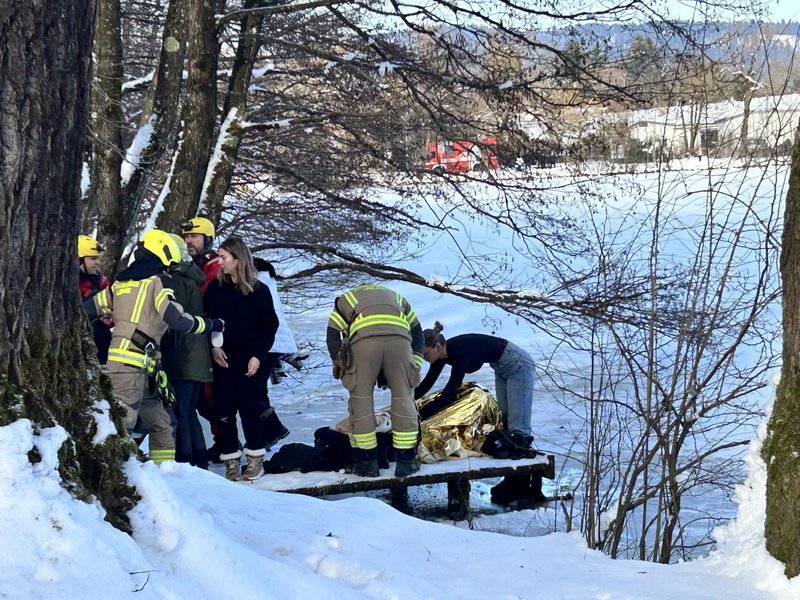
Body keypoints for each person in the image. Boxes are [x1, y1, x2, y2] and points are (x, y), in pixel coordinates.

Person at [84, 229, 224, 464]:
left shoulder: (119, 284)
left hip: (142, 366)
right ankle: (112, 469)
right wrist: (211, 324)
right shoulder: (158, 282)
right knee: (123, 421)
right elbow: (177, 320)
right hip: (132, 366)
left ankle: (164, 474)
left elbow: (86, 309)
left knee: (162, 422)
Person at [414, 321, 539, 504]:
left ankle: (520, 488)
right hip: (502, 366)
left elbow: (450, 393)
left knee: (518, 428)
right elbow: (426, 384)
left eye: (425, 353)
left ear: (438, 346)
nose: (424, 358)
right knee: (505, 421)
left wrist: (421, 414)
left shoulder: (460, 351)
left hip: (518, 364)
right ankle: (512, 484)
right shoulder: (441, 356)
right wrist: (406, 400)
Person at [327, 284, 424, 478]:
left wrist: (340, 362)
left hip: (363, 344)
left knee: (361, 399)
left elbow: (332, 335)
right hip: (400, 342)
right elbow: (417, 332)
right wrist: (416, 362)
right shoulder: (397, 297)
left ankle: (366, 462)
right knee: (404, 397)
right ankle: (406, 461)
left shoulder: (344, 301)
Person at [203, 237, 279, 481]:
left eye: (224, 257)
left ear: (238, 259)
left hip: (250, 359)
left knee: (250, 409)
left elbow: (269, 326)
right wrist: (213, 348)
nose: (220, 262)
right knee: (223, 410)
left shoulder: (259, 290)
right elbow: (207, 321)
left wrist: (258, 355)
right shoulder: (215, 289)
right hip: (223, 358)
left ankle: (255, 457)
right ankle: (231, 459)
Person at [160, 234, 214, 468]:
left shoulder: (176, 280)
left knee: (180, 411)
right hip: (193, 355)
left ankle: (184, 460)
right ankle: (198, 459)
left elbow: (174, 316)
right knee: (188, 411)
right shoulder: (189, 276)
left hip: (183, 354)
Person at [253, 257, 297, 449]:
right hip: (275, 344)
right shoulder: (268, 282)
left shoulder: (258, 284)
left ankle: (273, 429)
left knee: (251, 391)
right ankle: (265, 436)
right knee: (259, 390)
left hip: (267, 343)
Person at [78, 235, 113, 364]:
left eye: (98, 258)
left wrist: (109, 319)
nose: (98, 262)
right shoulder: (66, 283)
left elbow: (114, 309)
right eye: (93, 258)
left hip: (100, 343)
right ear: (79, 260)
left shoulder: (101, 282)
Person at [182, 216, 221, 295]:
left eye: (194, 236)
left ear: (207, 239)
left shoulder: (216, 266)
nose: (188, 241)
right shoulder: (183, 262)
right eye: (186, 236)